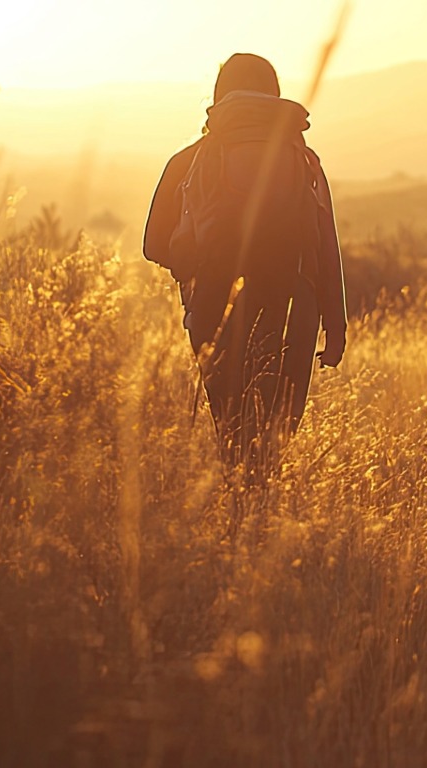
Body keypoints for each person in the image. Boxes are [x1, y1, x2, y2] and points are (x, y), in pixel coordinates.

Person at [143, 53, 347, 479]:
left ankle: (239, 514)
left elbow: (152, 245)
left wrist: (197, 258)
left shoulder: (189, 160)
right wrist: (336, 326)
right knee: (276, 432)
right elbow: (326, 248)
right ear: (272, 94)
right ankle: (263, 510)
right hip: (294, 308)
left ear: (220, 96)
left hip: (215, 306)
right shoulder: (304, 160)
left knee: (232, 426)